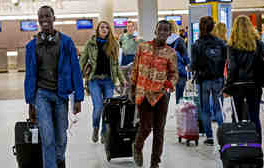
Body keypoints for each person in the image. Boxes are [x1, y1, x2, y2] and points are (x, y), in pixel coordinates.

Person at [24, 6, 84, 168]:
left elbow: (75, 70)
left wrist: (78, 98)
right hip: (41, 95)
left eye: (47, 16)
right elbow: (29, 75)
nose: (44, 19)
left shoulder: (66, 42)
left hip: (61, 95)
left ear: (54, 18)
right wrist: (30, 102)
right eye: (41, 17)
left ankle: (58, 161)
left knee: (61, 137)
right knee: (47, 137)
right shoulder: (31, 46)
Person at [131, 20, 178, 168]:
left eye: (166, 30)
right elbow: (135, 69)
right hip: (144, 94)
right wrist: (132, 88)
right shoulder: (142, 48)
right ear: (155, 31)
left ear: (169, 34)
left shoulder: (171, 53)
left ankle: (155, 163)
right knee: (145, 127)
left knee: (159, 131)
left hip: (161, 95)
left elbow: (174, 73)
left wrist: (170, 83)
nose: (163, 33)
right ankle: (137, 147)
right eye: (160, 30)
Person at [79, 20, 126, 144]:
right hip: (94, 80)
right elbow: (82, 61)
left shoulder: (114, 44)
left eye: (106, 27)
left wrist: (122, 80)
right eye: (102, 27)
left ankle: (104, 133)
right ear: (98, 30)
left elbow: (116, 65)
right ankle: (95, 127)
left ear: (109, 30)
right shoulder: (91, 44)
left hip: (108, 81)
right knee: (98, 107)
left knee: (108, 108)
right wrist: (77, 78)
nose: (104, 29)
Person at [223, 15, 264, 143]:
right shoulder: (258, 44)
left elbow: (233, 68)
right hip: (254, 84)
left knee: (236, 116)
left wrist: (228, 86)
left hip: (238, 85)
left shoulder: (232, 45)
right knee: (254, 116)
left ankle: (238, 144)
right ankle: (256, 146)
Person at [190, 16, 227, 146]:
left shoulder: (196, 45)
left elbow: (193, 65)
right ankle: (223, 136)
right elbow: (225, 60)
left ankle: (209, 137)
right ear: (213, 27)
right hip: (218, 79)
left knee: (205, 109)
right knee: (218, 108)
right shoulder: (221, 43)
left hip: (203, 80)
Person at [166, 21, 189, 104]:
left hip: (166, 72)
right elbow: (185, 56)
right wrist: (188, 65)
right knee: (180, 97)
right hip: (179, 71)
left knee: (165, 96)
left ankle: (163, 114)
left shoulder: (162, 40)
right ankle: (179, 113)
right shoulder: (180, 40)